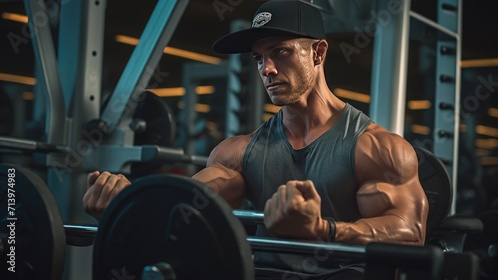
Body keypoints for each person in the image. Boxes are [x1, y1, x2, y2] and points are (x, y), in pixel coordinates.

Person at [83, 0, 429, 279]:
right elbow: (184, 210)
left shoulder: (376, 147)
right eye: (259, 58)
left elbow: (410, 232)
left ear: (318, 53)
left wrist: (324, 230)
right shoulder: (238, 152)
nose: (267, 69)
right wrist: (126, 208)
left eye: (281, 51)